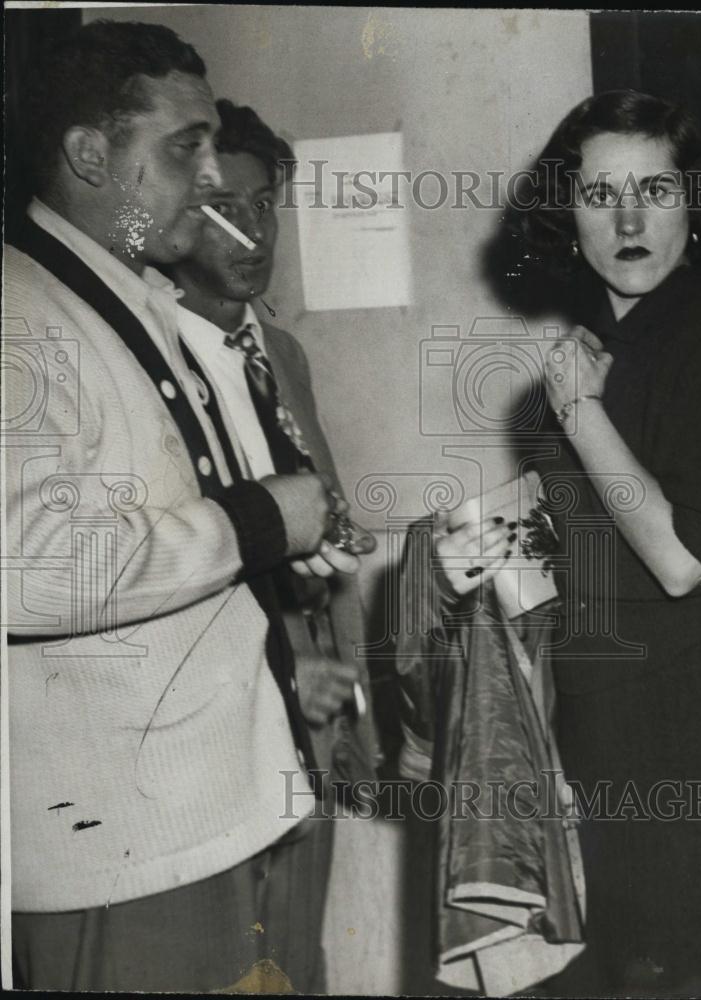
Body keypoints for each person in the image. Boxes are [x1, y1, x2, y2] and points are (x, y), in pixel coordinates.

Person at [3, 20, 353, 993]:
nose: (207, 179)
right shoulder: (19, 311)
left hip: (214, 809)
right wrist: (264, 520)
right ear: (88, 154)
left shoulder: (125, 295)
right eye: (183, 149)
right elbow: (26, 568)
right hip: (126, 848)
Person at [500, 89, 701, 996]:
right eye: (600, 193)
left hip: (693, 738)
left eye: (655, 188)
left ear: (695, 203)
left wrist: (579, 414)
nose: (629, 220)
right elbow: (591, 547)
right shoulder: (599, 348)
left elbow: (684, 562)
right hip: (601, 726)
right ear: (566, 214)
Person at [162, 98, 381, 979]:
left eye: (262, 206)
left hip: (316, 719)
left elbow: (321, 523)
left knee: (296, 960)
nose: (251, 232)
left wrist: (353, 699)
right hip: (218, 725)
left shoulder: (280, 352)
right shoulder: (153, 361)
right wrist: (275, 673)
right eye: (222, 208)